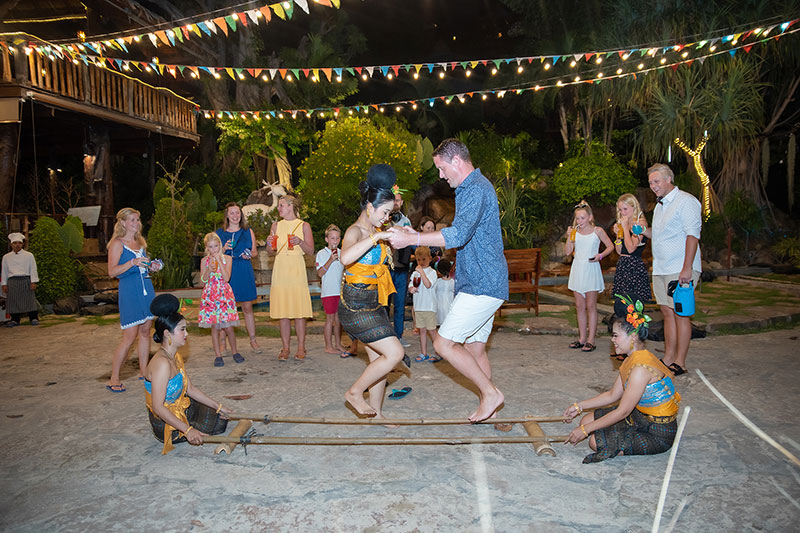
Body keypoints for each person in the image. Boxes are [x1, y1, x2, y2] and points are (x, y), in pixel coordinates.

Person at [387, 138, 508, 423]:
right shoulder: (472, 188)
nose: (441, 175)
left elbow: (458, 235)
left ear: (456, 161)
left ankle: (491, 394)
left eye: (442, 168)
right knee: (475, 349)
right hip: (484, 281)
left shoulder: (475, 189)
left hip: (482, 283)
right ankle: (489, 404)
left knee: (443, 344)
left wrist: (414, 238)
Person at [562, 296, 680, 463]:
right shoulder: (632, 359)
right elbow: (612, 395)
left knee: (594, 441)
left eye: (616, 335)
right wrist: (578, 406)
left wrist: (585, 430)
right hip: (638, 417)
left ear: (633, 336)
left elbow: (623, 412)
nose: (612, 340)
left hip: (657, 432)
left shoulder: (640, 368)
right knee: (585, 420)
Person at [338, 164, 407, 419]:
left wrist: (404, 234)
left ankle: (376, 415)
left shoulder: (377, 230)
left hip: (374, 303)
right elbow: (345, 258)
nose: (387, 217)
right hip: (355, 307)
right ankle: (355, 392)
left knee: (380, 361)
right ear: (370, 207)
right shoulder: (355, 231)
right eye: (385, 212)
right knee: (395, 353)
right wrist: (375, 239)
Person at [144, 294, 234, 454]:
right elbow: (158, 407)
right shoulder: (161, 364)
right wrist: (187, 430)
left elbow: (190, 389)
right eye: (182, 329)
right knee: (211, 426)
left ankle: (194, 423)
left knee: (219, 416)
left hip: (181, 406)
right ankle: (183, 430)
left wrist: (218, 406)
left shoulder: (174, 356)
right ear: (167, 333)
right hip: (164, 423)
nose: (186, 334)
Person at [644, 163, 702, 376]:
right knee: (667, 313)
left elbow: (692, 235)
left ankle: (680, 362)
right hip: (661, 268)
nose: (653, 186)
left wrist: (686, 268)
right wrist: (642, 230)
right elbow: (658, 234)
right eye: (650, 182)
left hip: (679, 268)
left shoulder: (686, 201)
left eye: (656, 181)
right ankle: (668, 358)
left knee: (681, 314)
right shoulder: (660, 206)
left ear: (669, 179)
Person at [106, 208, 162, 393]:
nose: (136, 223)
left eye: (138, 220)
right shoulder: (117, 244)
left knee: (145, 332)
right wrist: (132, 262)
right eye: (132, 220)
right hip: (129, 291)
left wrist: (152, 266)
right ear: (122, 222)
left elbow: (143, 266)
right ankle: (114, 378)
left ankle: (144, 371)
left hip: (146, 289)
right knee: (129, 337)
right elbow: (112, 271)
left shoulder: (140, 242)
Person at [268, 193, 314, 361]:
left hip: (296, 269)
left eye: (281, 205)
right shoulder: (275, 226)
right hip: (280, 269)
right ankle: (285, 347)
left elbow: (310, 251)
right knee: (283, 311)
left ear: (290, 206)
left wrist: (300, 242)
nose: (278, 208)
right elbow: (270, 252)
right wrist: (269, 244)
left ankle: (301, 347)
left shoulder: (304, 226)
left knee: (299, 311)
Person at [564, 201, 614, 353]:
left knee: (591, 305)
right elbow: (567, 252)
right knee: (579, 306)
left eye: (583, 218)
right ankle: (582, 338)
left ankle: (591, 339)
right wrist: (569, 237)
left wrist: (600, 256)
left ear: (590, 217)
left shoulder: (597, 231)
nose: (580, 221)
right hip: (578, 268)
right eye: (578, 218)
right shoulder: (575, 232)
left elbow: (610, 246)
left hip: (591, 267)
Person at [611, 194, 652, 360]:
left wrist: (625, 227)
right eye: (620, 210)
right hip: (623, 266)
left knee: (633, 310)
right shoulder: (624, 225)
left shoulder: (639, 224)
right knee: (621, 308)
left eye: (625, 209)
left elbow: (631, 247)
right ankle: (623, 346)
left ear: (634, 207)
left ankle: (635, 348)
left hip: (634, 268)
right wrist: (618, 235)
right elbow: (620, 250)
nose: (622, 212)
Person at [217, 203, 262, 355]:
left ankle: (253, 340)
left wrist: (249, 254)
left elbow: (254, 252)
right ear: (227, 215)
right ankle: (223, 343)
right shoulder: (220, 233)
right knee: (225, 309)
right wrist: (224, 249)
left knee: (247, 307)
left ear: (241, 215)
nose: (235, 216)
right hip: (227, 271)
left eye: (238, 213)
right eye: (232, 213)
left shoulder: (248, 232)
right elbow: (213, 253)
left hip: (243, 269)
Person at [198, 232, 242, 367]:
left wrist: (219, 262)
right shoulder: (204, 261)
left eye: (216, 246)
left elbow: (226, 278)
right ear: (207, 247)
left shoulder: (227, 259)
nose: (214, 249)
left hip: (224, 294)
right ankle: (218, 355)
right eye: (210, 247)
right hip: (210, 295)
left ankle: (235, 351)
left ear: (220, 245)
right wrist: (208, 270)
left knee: (228, 326)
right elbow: (202, 282)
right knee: (215, 326)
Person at [316, 224, 359, 358]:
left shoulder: (342, 253)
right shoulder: (322, 254)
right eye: (332, 238)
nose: (335, 241)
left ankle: (338, 344)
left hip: (339, 291)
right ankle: (328, 346)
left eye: (337, 238)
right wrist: (330, 260)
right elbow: (319, 273)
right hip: (328, 292)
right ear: (327, 239)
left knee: (338, 319)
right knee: (330, 319)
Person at [388, 191, 413, 347]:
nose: (396, 203)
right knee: (384, 303)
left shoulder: (406, 221)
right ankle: (385, 336)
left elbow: (411, 241)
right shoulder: (384, 220)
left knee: (399, 304)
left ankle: (399, 335)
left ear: (402, 202)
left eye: (398, 200)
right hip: (386, 267)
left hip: (401, 268)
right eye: (393, 200)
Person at [409, 246, 440, 363]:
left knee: (432, 331)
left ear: (430, 259)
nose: (421, 262)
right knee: (421, 330)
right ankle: (424, 353)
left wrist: (421, 272)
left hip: (429, 306)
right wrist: (411, 289)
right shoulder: (415, 273)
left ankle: (438, 352)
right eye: (418, 260)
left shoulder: (432, 272)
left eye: (423, 259)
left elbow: (428, 284)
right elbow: (411, 285)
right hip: (419, 306)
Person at [2, 232, 39, 327]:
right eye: (15, 243)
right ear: (11, 244)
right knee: (13, 301)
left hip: (26, 280)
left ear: (22, 244)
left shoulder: (29, 255)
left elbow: (33, 268)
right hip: (12, 281)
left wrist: (33, 281)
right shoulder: (6, 257)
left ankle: (33, 318)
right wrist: (4, 284)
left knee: (29, 300)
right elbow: (4, 271)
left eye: (19, 243)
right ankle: (15, 319)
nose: (17, 245)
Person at [434, 258, 455, 328]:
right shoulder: (453, 282)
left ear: (438, 271)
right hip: (450, 305)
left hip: (439, 307)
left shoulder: (437, 282)